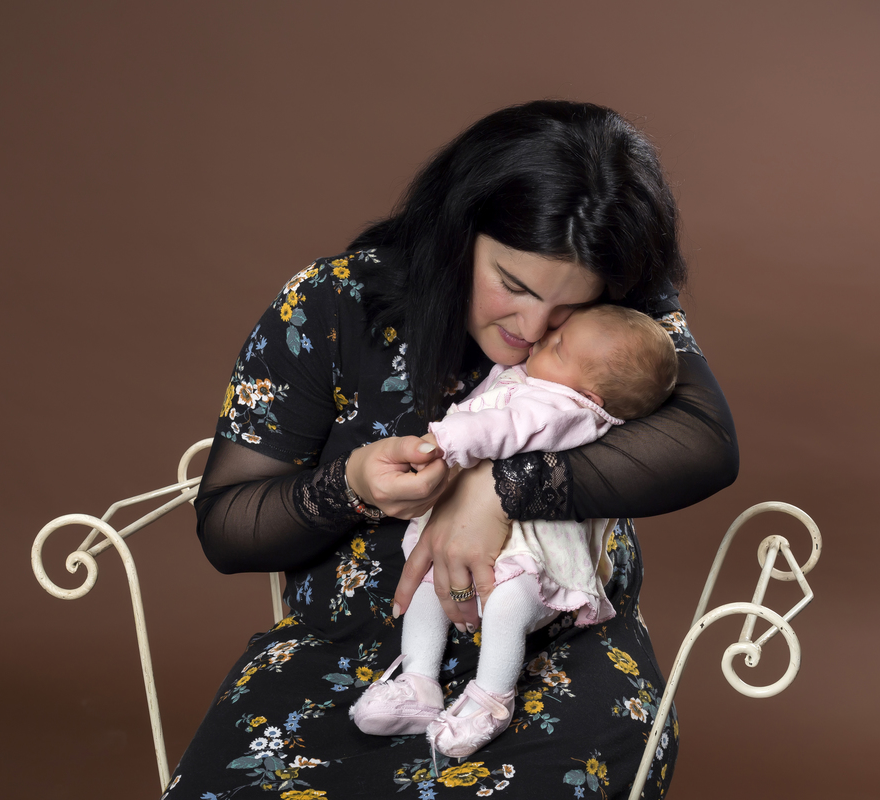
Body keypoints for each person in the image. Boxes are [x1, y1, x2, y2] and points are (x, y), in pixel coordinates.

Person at [168, 100, 738, 800]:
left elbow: (705, 443)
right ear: (457, 235)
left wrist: (495, 488)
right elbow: (228, 528)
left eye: (566, 312)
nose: (531, 329)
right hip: (339, 652)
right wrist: (349, 485)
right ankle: (411, 682)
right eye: (514, 285)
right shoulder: (333, 303)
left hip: (557, 655)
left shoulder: (626, 312)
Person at [350, 305, 679, 759]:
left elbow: (507, 426)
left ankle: (491, 699)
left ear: (590, 394)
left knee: (507, 605)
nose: (543, 339)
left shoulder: (570, 408)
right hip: (472, 530)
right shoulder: (536, 377)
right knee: (429, 576)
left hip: (533, 549)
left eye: (558, 348)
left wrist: (446, 441)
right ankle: (418, 682)